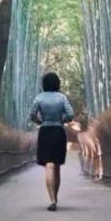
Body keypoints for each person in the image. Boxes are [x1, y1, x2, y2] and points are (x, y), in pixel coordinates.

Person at [29, 71, 75, 212]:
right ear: (57, 84)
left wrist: (40, 121)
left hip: (45, 132)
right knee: (57, 166)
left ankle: (52, 200)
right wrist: (62, 120)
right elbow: (71, 114)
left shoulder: (39, 97)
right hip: (58, 131)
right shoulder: (62, 97)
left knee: (49, 166)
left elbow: (32, 114)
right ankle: (55, 197)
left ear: (44, 84)